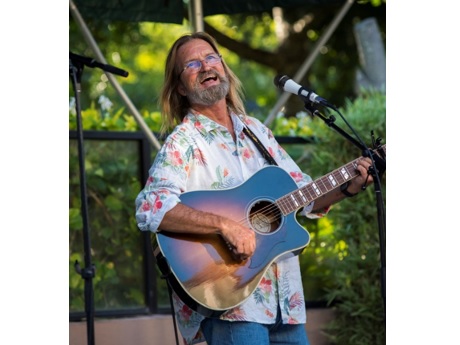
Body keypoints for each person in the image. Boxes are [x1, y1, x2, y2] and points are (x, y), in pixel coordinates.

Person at [135, 31, 374, 345]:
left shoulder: (258, 132)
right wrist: (223, 225)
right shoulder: (183, 141)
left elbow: (305, 195)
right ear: (180, 87)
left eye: (210, 58)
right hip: (232, 303)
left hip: (286, 304)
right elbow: (151, 206)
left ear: (223, 67)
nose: (205, 66)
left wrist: (348, 187)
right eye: (192, 64)